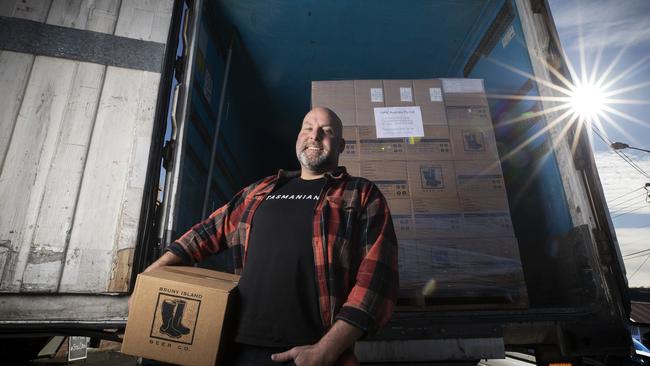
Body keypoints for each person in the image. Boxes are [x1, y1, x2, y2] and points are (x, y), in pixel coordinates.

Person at [135, 107, 398, 366]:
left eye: (326, 131)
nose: (314, 135)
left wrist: (326, 350)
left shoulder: (361, 194)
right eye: (308, 128)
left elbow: (376, 281)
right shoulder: (260, 189)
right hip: (237, 349)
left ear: (340, 145)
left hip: (309, 353)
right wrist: (150, 276)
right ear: (298, 137)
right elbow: (206, 232)